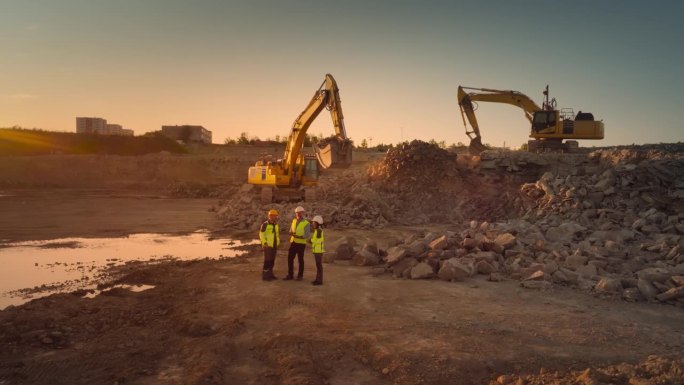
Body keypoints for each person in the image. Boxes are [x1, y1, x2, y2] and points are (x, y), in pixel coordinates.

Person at [283, 206, 310, 281]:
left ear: (303, 213)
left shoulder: (306, 223)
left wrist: (298, 236)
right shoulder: (294, 221)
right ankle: (290, 275)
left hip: (301, 244)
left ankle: (300, 276)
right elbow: (291, 230)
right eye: (297, 213)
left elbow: (307, 235)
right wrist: (290, 233)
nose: (298, 214)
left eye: (300, 212)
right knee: (290, 259)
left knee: (300, 260)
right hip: (293, 242)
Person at [259, 209, 280, 281]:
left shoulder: (276, 224)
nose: (274, 217)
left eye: (275, 216)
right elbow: (261, 234)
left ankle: (270, 274)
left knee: (272, 260)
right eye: (273, 216)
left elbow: (276, 234)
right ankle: (265, 276)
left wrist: (277, 243)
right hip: (267, 246)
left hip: (274, 245)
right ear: (269, 216)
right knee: (267, 261)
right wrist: (264, 243)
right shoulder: (265, 224)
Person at [309, 215, 325, 286]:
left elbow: (318, 241)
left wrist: (311, 240)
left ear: (317, 223)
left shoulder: (318, 231)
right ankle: (318, 279)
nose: (312, 224)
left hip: (318, 251)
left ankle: (319, 281)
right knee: (318, 266)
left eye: (314, 223)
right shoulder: (317, 230)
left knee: (319, 266)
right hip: (317, 251)